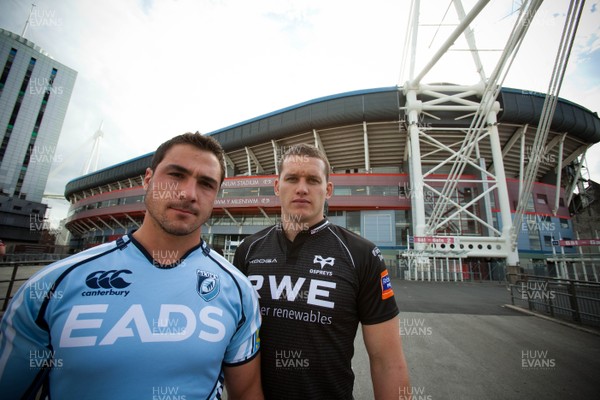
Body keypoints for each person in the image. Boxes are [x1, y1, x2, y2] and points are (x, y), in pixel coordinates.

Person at [0, 132, 263, 399]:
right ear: (148, 179)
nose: (188, 193)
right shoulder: (53, 285)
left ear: (216, 195)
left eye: (206, 184)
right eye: (176, 175)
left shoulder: (239, 291)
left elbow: (246, 393)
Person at [233, 143, 410, 399]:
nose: (302, 188)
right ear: (276, 186)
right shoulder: (248, 250)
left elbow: (388, 362)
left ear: (327, 190)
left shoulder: (361, 254)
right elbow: (234, 348)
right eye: (292, 178)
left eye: (313, 180)